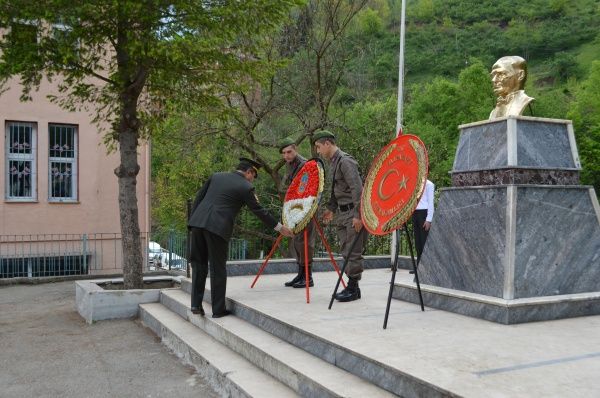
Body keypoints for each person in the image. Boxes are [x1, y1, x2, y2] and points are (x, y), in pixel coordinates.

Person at [188, 158, 294, 318]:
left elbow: (199, 198)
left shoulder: (216, 176)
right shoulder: (246, 187)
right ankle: (218, 310)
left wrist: (192, 221)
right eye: (253, 175)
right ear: (249, 172)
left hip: (197, 224)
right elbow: (260, 211)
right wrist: (280, 228)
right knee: (217, 269)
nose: (252, 179)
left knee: (198, 265)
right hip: (217, 228)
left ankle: (196, 305)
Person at [313, 130, 367, 302]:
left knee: (353, 251)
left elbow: (357, 189)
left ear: (328, 144)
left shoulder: (345, 161)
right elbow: (338, 190)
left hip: (353, 212)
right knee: (345, 250)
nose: (318, 151)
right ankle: (352, 287)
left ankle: (353, 288)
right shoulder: (334, 162)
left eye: (319, 147)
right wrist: (331, 208)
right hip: (343, 212)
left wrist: (358, 215)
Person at [279, 137, 317, 288]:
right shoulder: (289, 164)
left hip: (306, 208)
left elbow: (308, 188)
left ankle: (308, 278)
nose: (286, 155)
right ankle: (301, 274)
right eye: (284, 153)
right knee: (296, 241)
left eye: (289, 151)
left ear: (296, 149)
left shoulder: (305, 165)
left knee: (305, 242)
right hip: (295, 208)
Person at [412, 179, 435, 264]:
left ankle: (426, 265)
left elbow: (430, 203)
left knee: (424, 241)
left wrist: (429, 219)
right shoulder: (415, 183)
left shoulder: (429, 184)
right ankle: (419, 265)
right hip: (415, 212)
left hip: (423, 213)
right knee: (417, 242)